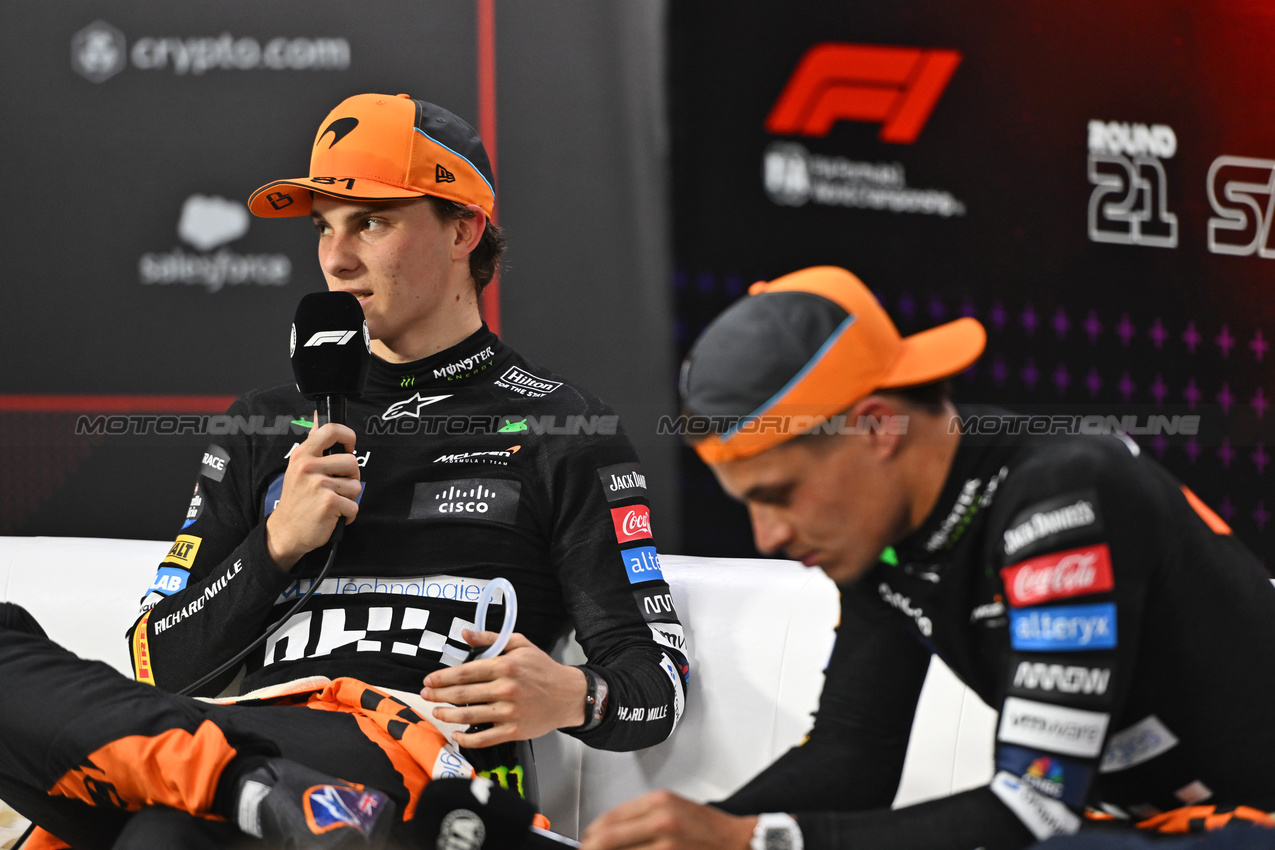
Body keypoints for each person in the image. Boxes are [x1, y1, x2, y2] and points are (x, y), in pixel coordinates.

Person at [0, 93, 687, 849]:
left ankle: (250, 794)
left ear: (462, 230)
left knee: (167, 834)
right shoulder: (264, 424)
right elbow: (156, 661)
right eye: (324, 228)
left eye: (372, 222)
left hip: (419, 762)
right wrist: (274, 547)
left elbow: (655, 678)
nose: (337, 258)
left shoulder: (561, 427)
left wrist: (575, 696)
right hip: (232, 740)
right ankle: (255, 792)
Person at [580, 266, 1275, 850]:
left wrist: (749, 840)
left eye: (780, 494)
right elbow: (852, 759)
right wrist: (685, 835)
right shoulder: (887, 531)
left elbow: (1035, 808)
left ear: (877, 425)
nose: (768, 537)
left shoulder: (1063, 494)